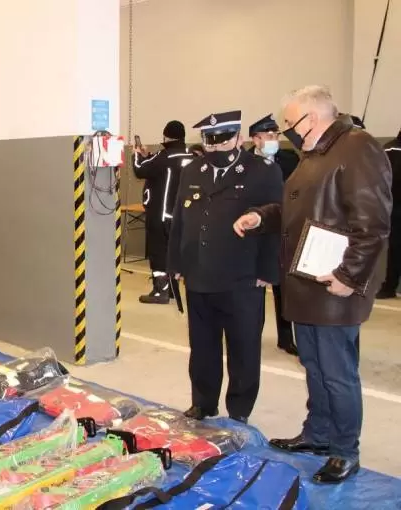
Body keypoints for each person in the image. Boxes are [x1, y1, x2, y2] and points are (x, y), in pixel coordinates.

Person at [234, 85, 392, 483]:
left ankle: (344, 450)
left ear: (313, 117)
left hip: (334, 283)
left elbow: (373, 223)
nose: (286, 130)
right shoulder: (317, 153)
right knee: (315, 366)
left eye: (290, 122)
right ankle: (318, 433)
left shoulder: (356, 148)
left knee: (337, 372)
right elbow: (298, 210)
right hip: (307, 281)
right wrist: (263, 217)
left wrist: (349, 275)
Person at [167, 110, 283, 425]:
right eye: (210, 141)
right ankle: (203, 402)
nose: (216, 147)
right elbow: (181, 219)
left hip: (242, 276)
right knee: (202, 346)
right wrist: (176, 262)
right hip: (199, 273)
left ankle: (239, 409)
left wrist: (268, 272)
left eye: (223, 141)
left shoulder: (262, 171)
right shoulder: (193, 170)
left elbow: (277, 221)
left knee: (243, 347)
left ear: (239, 138)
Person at [248, 114, 301, 356]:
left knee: (283, 287)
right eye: (268, 136)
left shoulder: (289, 159)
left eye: (276, 135)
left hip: (283, 230)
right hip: (256, 231)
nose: (274, 140)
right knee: (254, 287)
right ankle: (251, 335)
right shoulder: (245, 163)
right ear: (255, 139)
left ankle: (286, 338)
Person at [133, 121, 194, 304]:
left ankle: (161, 290)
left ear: (166, 137)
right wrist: (148, 156)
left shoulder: (164, 156)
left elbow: (140, 170)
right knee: (174, 252)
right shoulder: (190, 156)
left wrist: (137, 154)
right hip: (183, 215)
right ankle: (173, 289)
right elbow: (160, 167)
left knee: (158, 251)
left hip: (161, 214)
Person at [376, 127, 401, 299]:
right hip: (394, 207)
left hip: (393, 206)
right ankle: (389, 285)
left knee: (395, 248)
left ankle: (389, 286)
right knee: (395, 248)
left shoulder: (388, 148)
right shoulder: (390, 149)